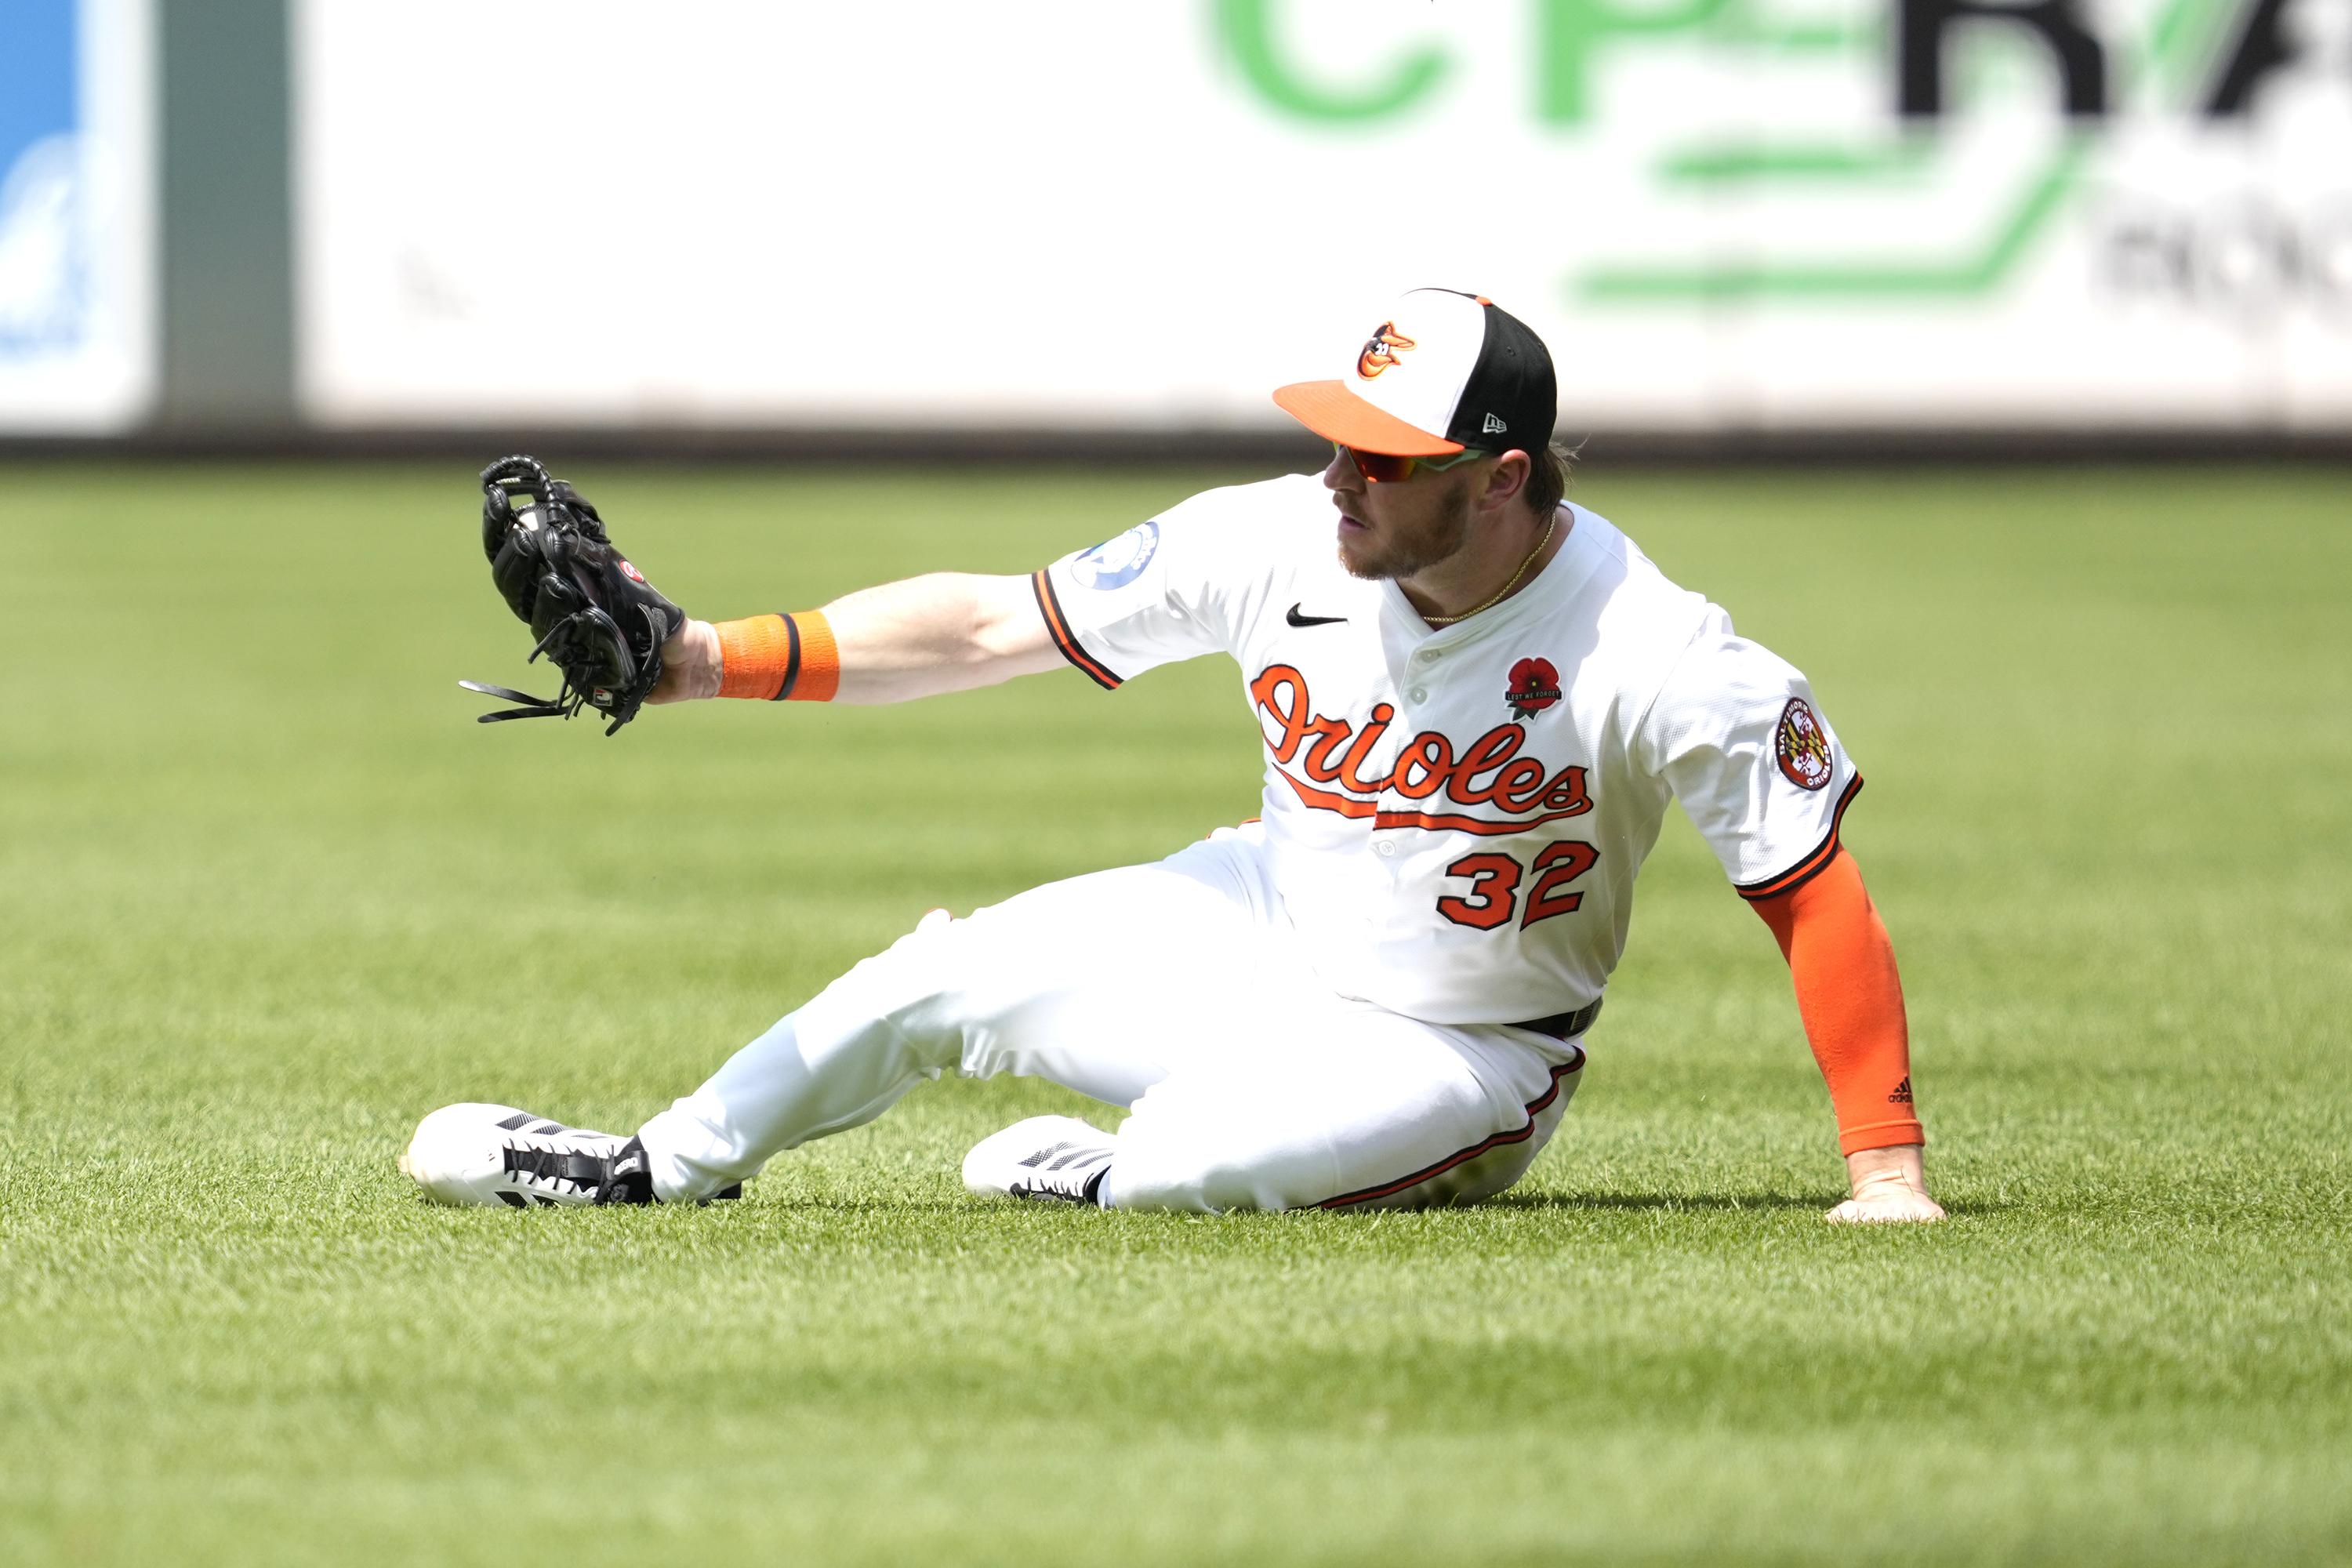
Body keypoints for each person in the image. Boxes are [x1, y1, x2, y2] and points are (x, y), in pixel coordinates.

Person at [400, 289, 1944, 1223]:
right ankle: (654, 1167)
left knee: (1185, 1175)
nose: (1339, 472)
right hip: (1264, 924)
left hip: (1465, 1049)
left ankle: (1110, 1163)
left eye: (1382, 457)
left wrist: (1885, 1171)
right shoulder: (1273, 535)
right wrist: (697, 662)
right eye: (1336, 434)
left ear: (1500, 479)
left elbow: (1811, 889)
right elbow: (994, 625)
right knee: (940, 974)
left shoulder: (1660, 650)